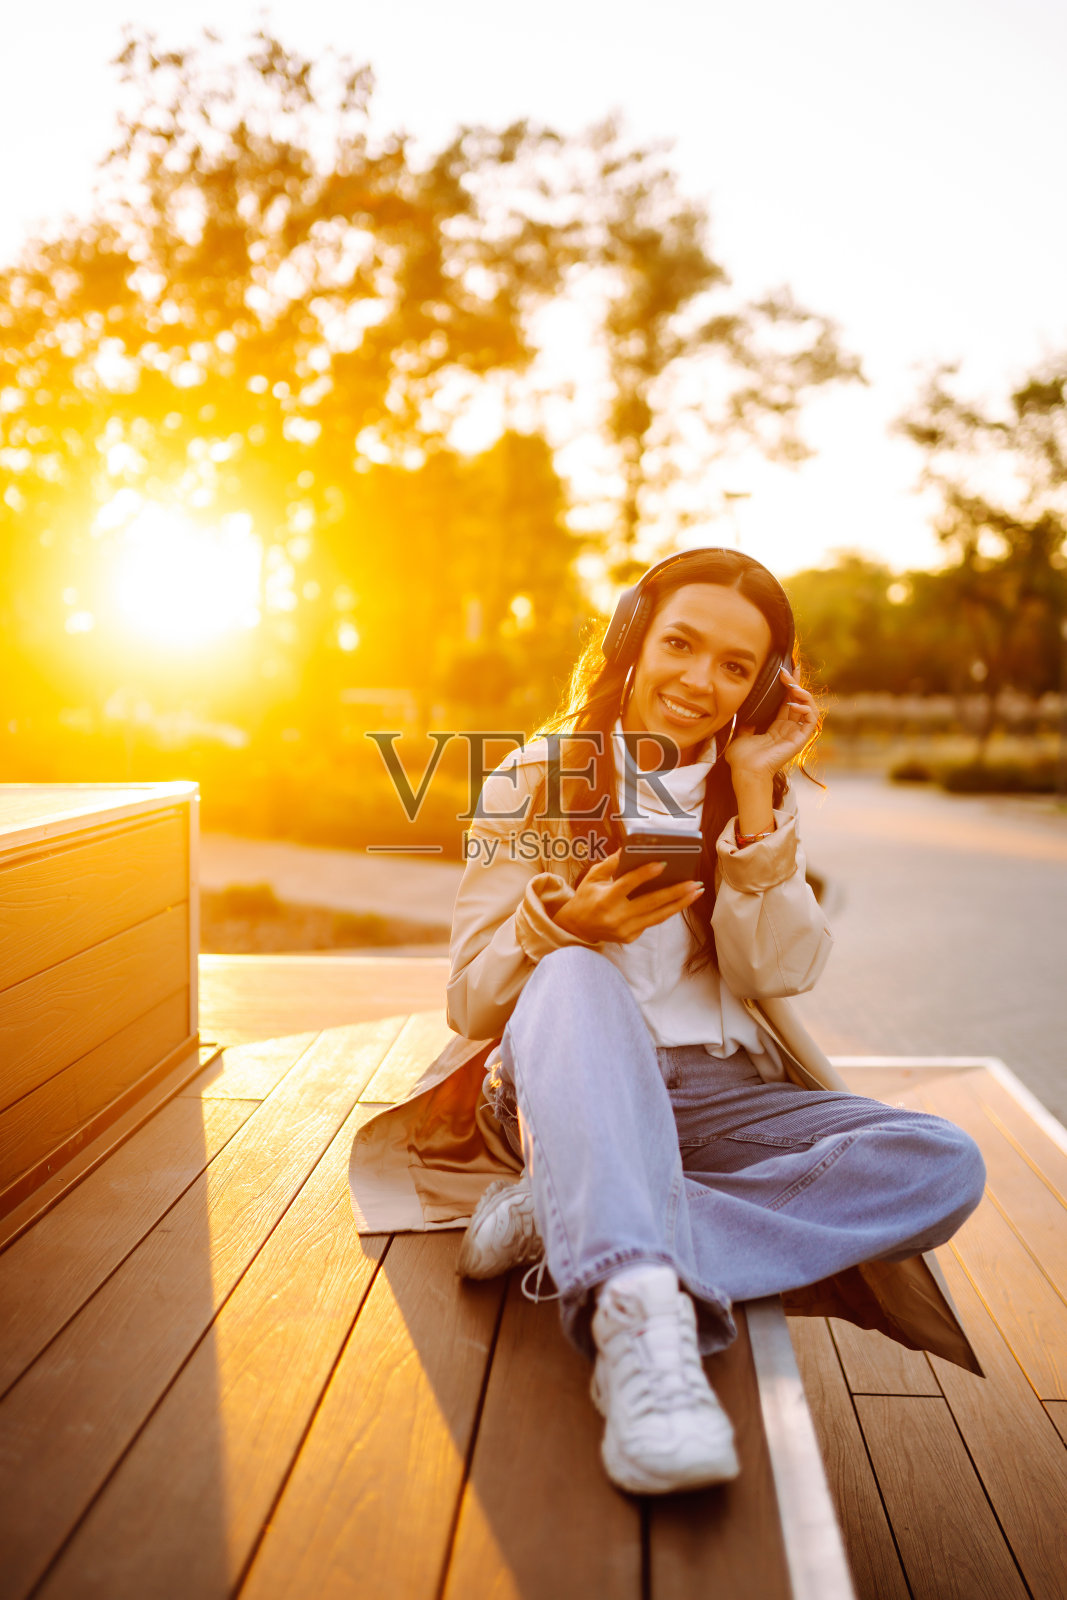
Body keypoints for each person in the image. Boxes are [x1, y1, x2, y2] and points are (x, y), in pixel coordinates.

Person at [347, 547, 987, 1498]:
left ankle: (574, 1216)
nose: (700, 682)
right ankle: (637, 1317)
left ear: (763, 685)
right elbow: (471, 1001)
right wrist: (562, 929)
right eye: (681, 645)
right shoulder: (536, 778)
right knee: (571, 978)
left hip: (728, 1101)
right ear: (631, 640)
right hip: (572, 1081)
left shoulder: (743, 793)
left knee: (942, 1164)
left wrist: (760, 795)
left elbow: (782, 969)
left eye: (736, 666)